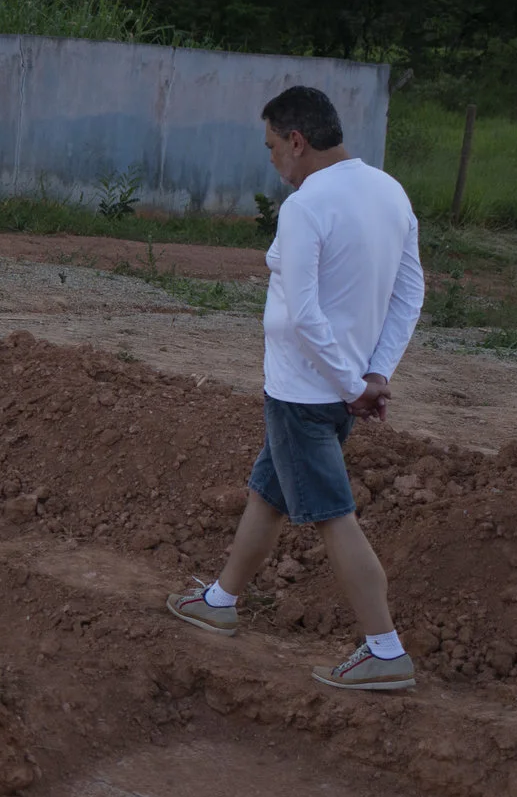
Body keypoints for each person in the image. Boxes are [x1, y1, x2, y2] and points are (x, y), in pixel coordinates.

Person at [165, 85, 425, 690]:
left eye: (272, 148)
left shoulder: (306, 206)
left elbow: (305, 314)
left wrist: (352, 384)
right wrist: (373, 376)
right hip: (337, 392)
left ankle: (385, 650)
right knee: (269, 493)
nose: (273, 161)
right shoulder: (389, 191)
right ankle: (221, 600)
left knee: (332, 514)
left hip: (305, 392)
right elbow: (409, 293)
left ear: (297, 141)